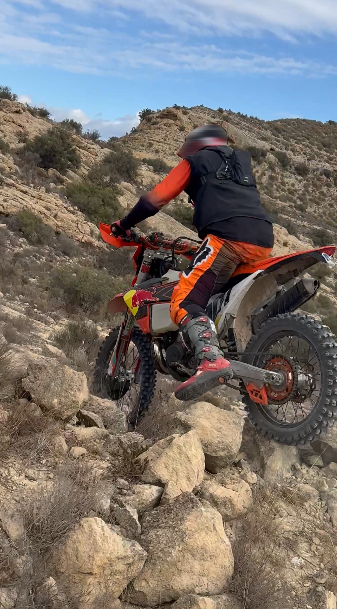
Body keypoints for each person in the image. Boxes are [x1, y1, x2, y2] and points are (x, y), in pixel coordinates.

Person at [110, 123, 274, 401]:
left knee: (185, 299)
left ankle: (210, 358)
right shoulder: (240, 166)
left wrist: (123, 225)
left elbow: (156, 198)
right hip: (262, 242)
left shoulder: (195, 161)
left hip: (226, 237)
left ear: (197, 146)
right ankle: (220, 343)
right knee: (213, 295)